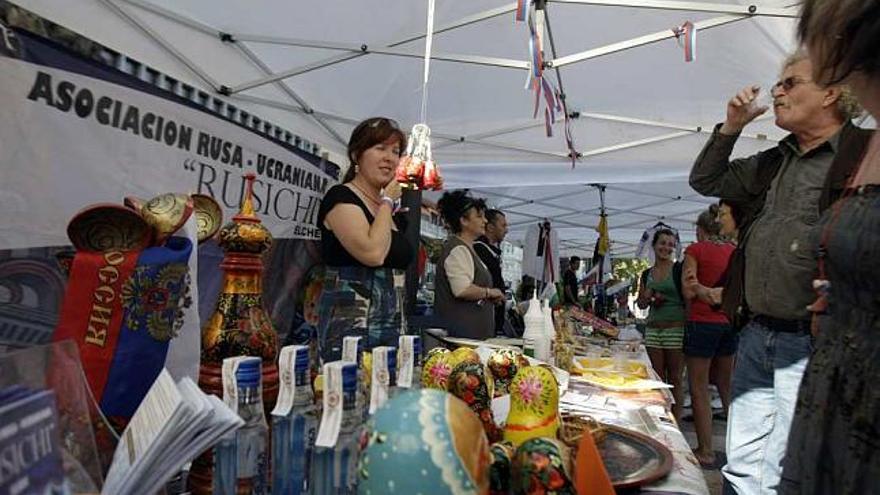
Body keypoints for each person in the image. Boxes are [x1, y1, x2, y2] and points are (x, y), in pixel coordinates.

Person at [689, 50, 870, 493]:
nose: (777, 91)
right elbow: (705, 182)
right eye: (778, 83)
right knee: (743, 464)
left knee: (788, 469)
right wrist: (732, 127)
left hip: (814, 342)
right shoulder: (775, 159)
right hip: (755, 333)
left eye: (791, 83)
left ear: (831, 92)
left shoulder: (866, 153)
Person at [780, 2, 880, 493]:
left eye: (792, 81)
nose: (780, 88)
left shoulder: (854, 142)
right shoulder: (870, 139)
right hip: (835, 385)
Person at [316, 117, 414, 362]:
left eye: (395, 152)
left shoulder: (386, 209)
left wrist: (386, 205)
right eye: (380, 148)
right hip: (350, 330)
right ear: (357, 155)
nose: (390, 158)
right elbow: (372, 254)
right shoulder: (341, 196)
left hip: (392, 329)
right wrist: (388, 202)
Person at [681, 206, 736, 468]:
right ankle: (739, 450)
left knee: (700, 388)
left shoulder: (695, 251)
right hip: (728, 323)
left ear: (700, 230)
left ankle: (706, 450)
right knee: (728, 388)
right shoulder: (734, 251)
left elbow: (688, 291)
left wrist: (700, 289)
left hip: (702, 322)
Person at [434, 190, 504, 339]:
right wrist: (490, 292)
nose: (485, 221)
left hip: (471, 335)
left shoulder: (468, 248)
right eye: (479, 216)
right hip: (462, 336)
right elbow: (462, 289)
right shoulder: (458, 249)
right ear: (463, 221)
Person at [636, 228, 686, 419]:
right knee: (657, 379)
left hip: (675, 329)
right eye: (662, 243)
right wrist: (647, 296)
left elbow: (687, 298)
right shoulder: (646, 273)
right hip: (653, 331)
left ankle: (676, 421)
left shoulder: (678, 269)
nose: (666, 247)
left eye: (670, 244)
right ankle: (660, 418)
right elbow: (641, 304)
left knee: (674, 380)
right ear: (654, 245)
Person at [474, 209, 509, 335]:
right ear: (490, 227)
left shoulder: (490, 251)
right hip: (481, 320)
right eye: (503, 225)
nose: (506, 230)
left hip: (492, 319)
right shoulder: (479, 249)